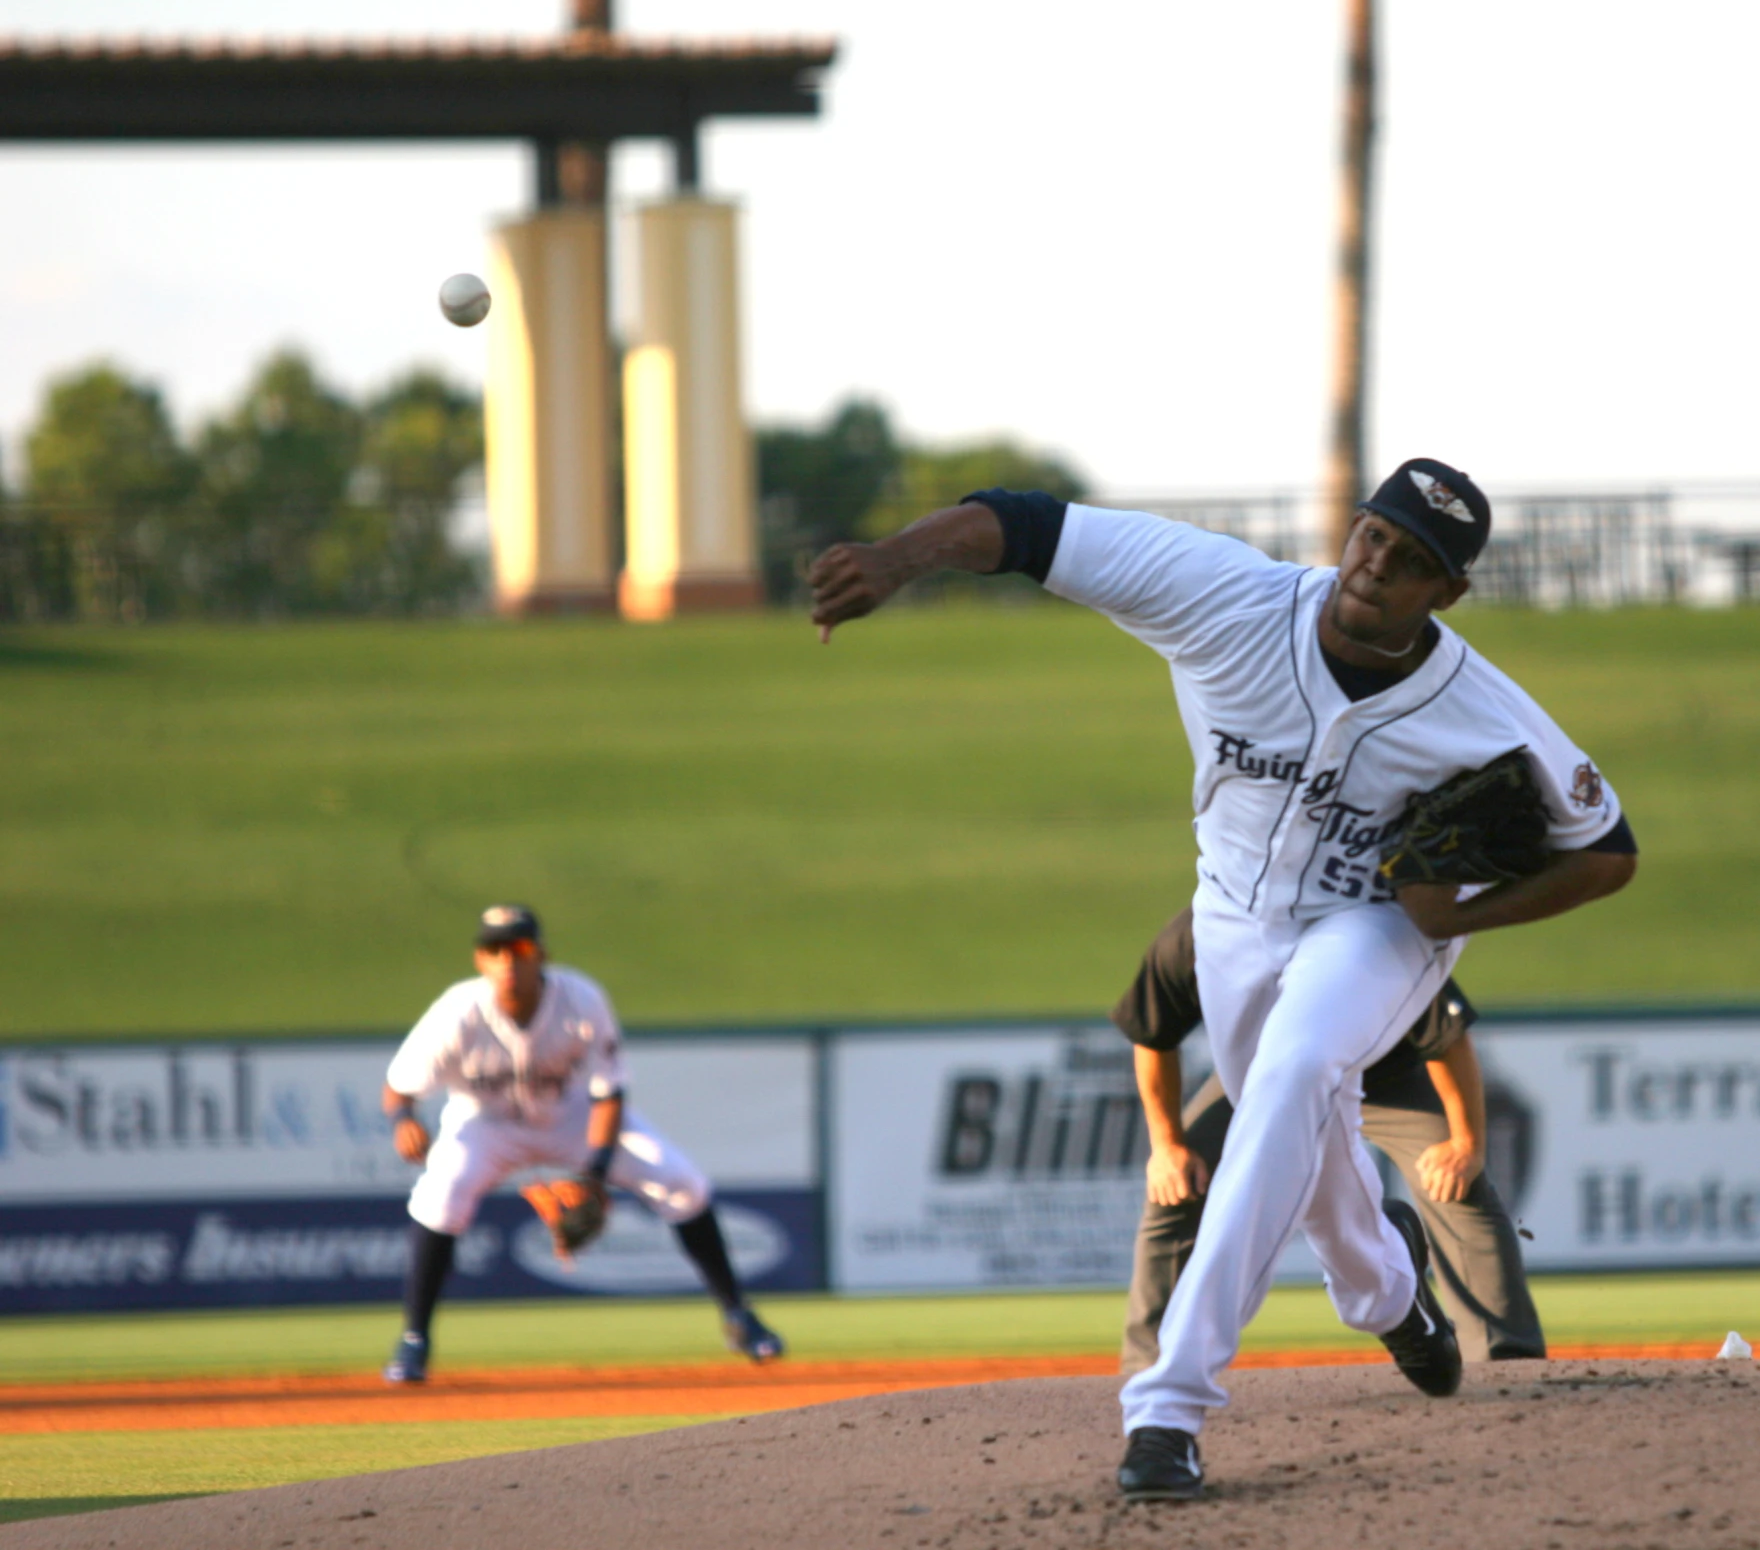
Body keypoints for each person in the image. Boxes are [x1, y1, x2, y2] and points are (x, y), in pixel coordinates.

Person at [809, 458, 1637, 1501]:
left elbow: (1607, 849)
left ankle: (1169, 1407)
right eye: (1373, 535)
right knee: (1307, 1145)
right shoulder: (1222, 595)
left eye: (1411, 559)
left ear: (1448, 591)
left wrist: (1461, 917)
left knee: (1294, 1074)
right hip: (1232, 917)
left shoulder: (1483, 707)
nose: (1376, 564)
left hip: (1377, 926)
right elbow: (1024, 526)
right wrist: (896, 561)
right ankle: (1389, 1298)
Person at [1115, 905, 1546, 1372]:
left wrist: (1465, 1144)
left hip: (1389, 1071)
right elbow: (1153, 1036)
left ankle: (1506, 1359)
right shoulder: (1199, 933)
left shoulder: (1368, 930)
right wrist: (1166, 1146)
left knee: (1455, 1181)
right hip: (1264, 1078)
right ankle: (1147, 1365)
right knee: (1177, 1180)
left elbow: (1447, 1038)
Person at [378, 904, 785, 1383]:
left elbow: (609, 1093)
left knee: (683, 1184)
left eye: (520, 947)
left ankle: (739, 1315)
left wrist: (594, 1173)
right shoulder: (457, 1011)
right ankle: (414, 1340)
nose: (509, 960)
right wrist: (404, 1117)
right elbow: (398, 1085)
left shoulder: (582, 999)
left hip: (573, 1118)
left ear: (541, 954)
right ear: (480, 960)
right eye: (496, 949)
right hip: (487, 1124)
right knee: (438, 1199)